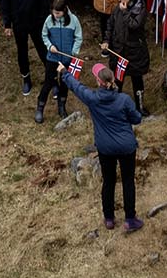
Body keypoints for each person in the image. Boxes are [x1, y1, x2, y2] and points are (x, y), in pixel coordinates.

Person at [61, 62, 145, 233]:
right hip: (126, 146)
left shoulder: (93, 99)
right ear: (113, 80)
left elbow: (77, 87)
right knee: (128, 182)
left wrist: (64, 72)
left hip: (105, 148)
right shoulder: (124, 100)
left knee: (109, 181)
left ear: (98, 82)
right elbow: (137, 119)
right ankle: (130, 219)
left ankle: (109, 219)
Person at [1, 0, 49, 96]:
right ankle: (26, 79)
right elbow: (5, 5)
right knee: (22, 52)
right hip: (19, 26)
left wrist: (42, 24)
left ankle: (51, 78)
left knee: (43, 50)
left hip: (37, 26)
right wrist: (7, 24)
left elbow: (44, 6)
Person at [101, 0, 151, 110]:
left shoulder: (140, 9)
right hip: (118, 49)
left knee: (137, 79)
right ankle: (115, 106)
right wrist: (106, 40)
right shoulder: (118, 8)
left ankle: (140, 107)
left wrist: (125, 12)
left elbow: (134, 25)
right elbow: (110, 25)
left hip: (134, 51)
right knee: (118, 79)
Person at [36, 0, 82, 124]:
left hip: (67, 59)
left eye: (58, 13)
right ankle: (40, 107)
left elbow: (78, 37)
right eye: (54, 12)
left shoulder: (73, 21)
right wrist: (50, 46)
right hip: (52, 58)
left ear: (65, 11)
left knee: (65, 83)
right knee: (48, 83)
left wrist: (73, 52)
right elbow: (44, 35)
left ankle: (61, 106)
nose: (55, 15)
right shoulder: (49, 20)